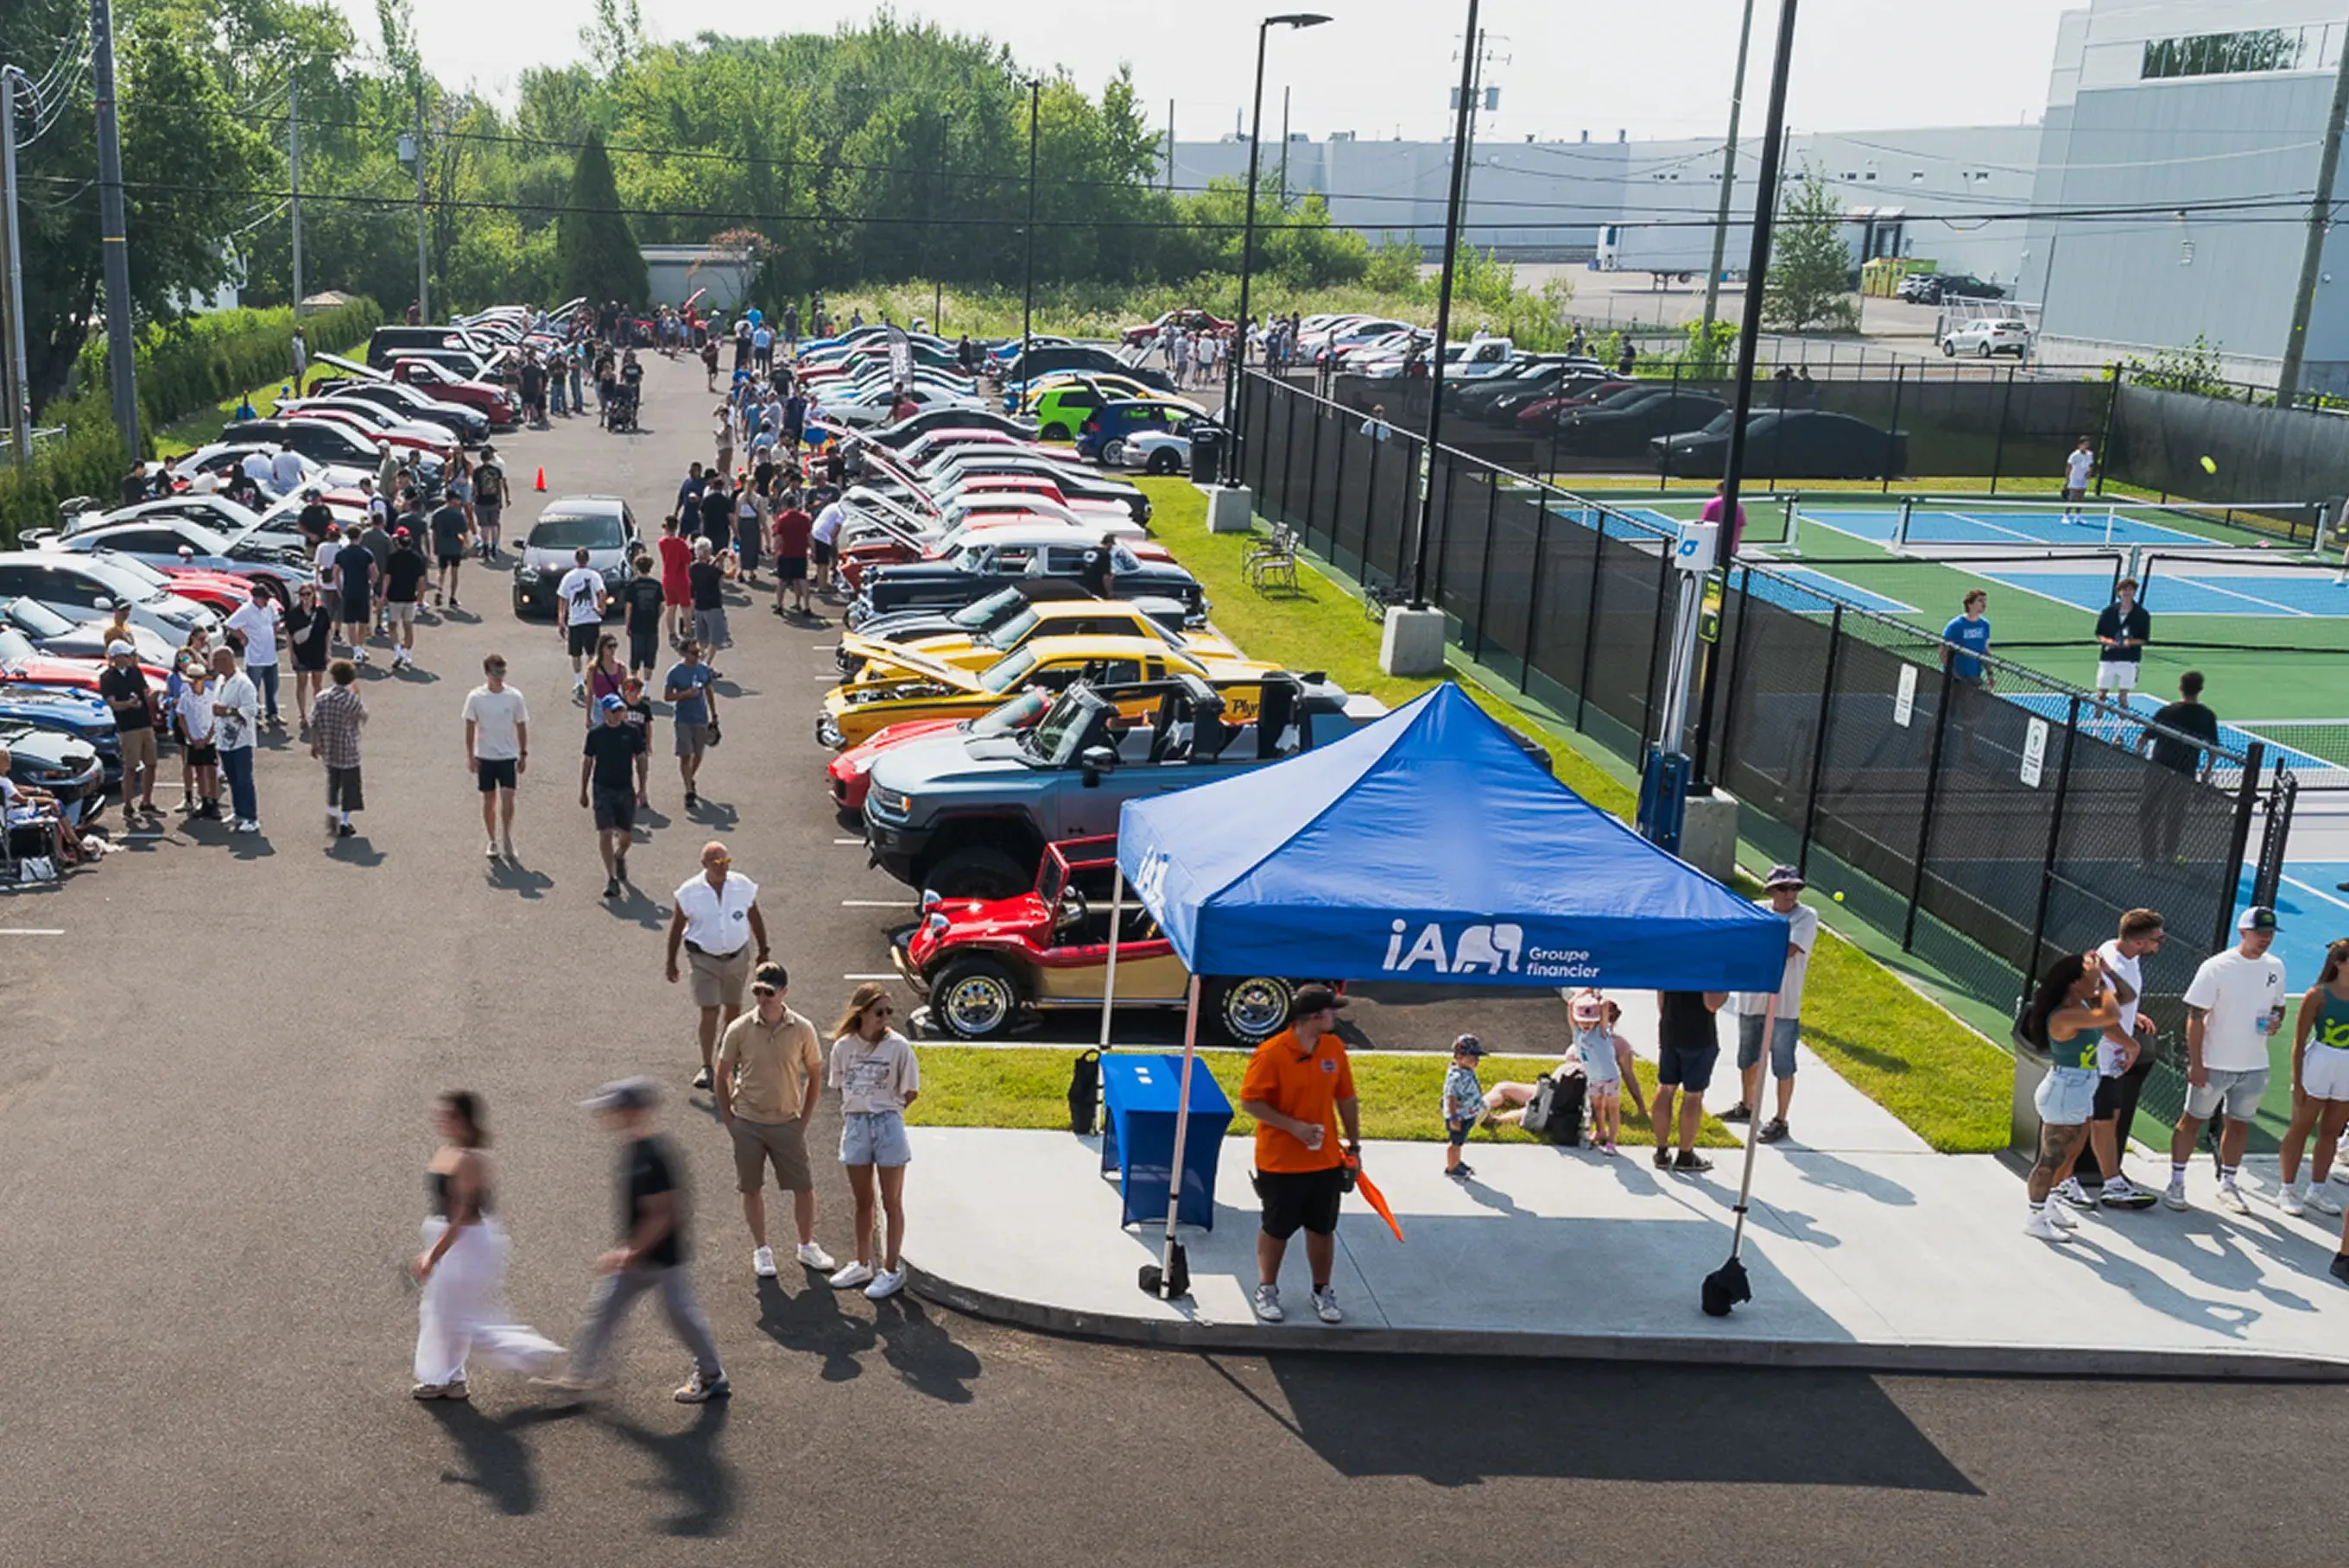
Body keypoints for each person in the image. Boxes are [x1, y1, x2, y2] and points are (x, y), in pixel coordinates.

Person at [535, 1078, 730, 1405]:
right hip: (638, 1257)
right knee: (603, 1312)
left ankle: (712, 1376)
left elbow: (663, 1213)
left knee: (681, 1315)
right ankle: (578, 1378)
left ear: (633, 1111)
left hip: (664, 1259)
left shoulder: (655, 1156)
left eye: (614, 1108)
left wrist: (630, 1252)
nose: (607, 1115)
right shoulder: (634, 1149)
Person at [410, 1091, 563, 1400]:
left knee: (453, 1317)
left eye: (449, 1115)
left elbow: (462, 1216)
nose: (441, 1120)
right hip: (459, 1242)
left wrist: (433, 1254)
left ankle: (538, 1355)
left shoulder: (469, 1159)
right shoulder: (454, 1151)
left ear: (465, 1120)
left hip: (465, 1245)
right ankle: (450, 1378)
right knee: (445, 1313)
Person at [1239, 986, 1359, 1325]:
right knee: (1277, 1228)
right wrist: (1293, 1127)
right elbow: (1250, 1102)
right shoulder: (1272, 1053)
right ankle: (1267, 1288)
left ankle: (1322, 1291)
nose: (1337, 1016)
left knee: (1322, 1229)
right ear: (1313, 1016)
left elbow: (1347, 1099)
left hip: (1325, 1161)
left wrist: (1355, 1145)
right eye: (1332, 1011)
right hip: (1280, 1163)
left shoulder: (1333, 1048)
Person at [716, 962, 837, 1279]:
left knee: (803, 1187)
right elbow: (722, 1073)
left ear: (784, 992)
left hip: (786, 1122)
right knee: (751, 1187)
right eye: (757, 991)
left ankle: (806, 1245)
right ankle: (762, 1250)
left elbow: (814, 1074)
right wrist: (730, 1120)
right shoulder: (739, 1028)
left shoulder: (802, 1029)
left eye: (769, 992)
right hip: (748, 1122)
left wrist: (803, 1120)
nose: (762, 998)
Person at [2166, 907, 2289, 1213]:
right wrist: (2197, 1063)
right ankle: (2176, 1182)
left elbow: (2279, 1007)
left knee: (2239, 1124)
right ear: (2243, 932)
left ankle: (2229, 1184)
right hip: (2215, 1063)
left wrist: (2276, 1021)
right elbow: (2196, 1016)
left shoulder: (2276, 967)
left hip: (2254, 1064)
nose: (2266, 939)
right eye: (2261, 933)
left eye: (2270, 934)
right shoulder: (2217, 967)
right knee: (2192, 1120)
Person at [2052, 907, 2167, 1211]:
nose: (2160, 944)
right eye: (2158, 939)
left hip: (2108, 1063)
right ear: (2140, 941)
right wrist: (2131, 1045)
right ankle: (2063, 1183)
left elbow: (2121, 1000)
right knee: (2086, 1125)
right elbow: (2104, 1019)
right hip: (2098, 1060)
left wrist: (2134, 1015)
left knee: (2105, 1121)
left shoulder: (2120, 957)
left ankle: (2110, 1182)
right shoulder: (2111, 961)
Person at [826, 982, 920, 1299]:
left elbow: (911, 1091)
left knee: (891, 1202)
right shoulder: (843, 1048)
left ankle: (891, 1269)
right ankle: (862, 1262)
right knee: (863, 1201)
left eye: (889, 1012)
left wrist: (888, 1111)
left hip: (887, 1124)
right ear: (862, 1013)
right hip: (856, 1124)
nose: (885, 1018)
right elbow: (839, 1084)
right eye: (879, 1012)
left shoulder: (899, 1047)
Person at [2022, 951, 2123, 1242]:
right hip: (2067, 1090)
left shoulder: (2079, 1005)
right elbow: (2112, 1013)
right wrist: (2104, 986)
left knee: (2070, 1151)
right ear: (2074, 983)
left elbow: (2122, 1000)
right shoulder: (2066, 1016)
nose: (2098, 982)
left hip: (2080, 1087)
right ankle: (2035, 1216)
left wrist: (2103, 974)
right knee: (2050, 1159)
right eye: (2093, 978)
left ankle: (2050, 1205)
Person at [1723, 863, 1819, 1145]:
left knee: (1783, 1063)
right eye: (1784, 888)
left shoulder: (1806, 917)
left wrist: (1756, 948)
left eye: (1795, 888)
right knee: (1747, 1056)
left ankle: (1780, 1119)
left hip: (1785, 1004)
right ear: (1771, 890)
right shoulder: (1756, 909)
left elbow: (1788, 951)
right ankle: (1747, 1105)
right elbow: (1740, 945)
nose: (1791, 894)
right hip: (1752, 998)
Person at [666, 840, 769, 1087]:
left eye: (726, 862)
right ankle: (707, 1065)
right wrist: (670, 961)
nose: (723, 868)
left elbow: (754, 916)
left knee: (733, 1009)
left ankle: (727, 1054)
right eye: (717, 863)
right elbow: (678, 926)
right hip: (704, 959)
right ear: (704, 864)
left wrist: (763, 951)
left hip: (737, 956)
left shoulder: (742, 885)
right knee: (709, 1009)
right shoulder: (689, 892)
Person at [2279, 938, 2349, 1218]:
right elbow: (2299, 1041)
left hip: (2346, 1066)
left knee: (2331, 1131)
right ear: (2339, 964)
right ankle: (2287, 1188)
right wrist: (2298, 1082)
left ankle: (2317, 1188)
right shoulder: (2318, 995)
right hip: (2319, 1062)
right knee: (2300, 1127)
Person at [2145, 671, 2221, 871]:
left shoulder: (2167, 712)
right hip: (2185, 773)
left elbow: (2144, 738)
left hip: (2158, 770)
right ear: (2200, 689)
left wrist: (2140, 758)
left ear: (2180, 687)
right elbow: (2213, 749)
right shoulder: (2207, 716)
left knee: (2148, 813)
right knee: (2176, 814)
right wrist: (2206, 771)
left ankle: (2148, 860)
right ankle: (2169, 855)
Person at [462, 654, 529, 862]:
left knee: (508, 797)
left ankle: (507, 835)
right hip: (485, 756)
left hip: (507, 756)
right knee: (489, 800)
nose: (500, 676)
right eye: (496, 672)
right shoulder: (476, 697)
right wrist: (471, 756)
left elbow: (521, 724)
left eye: (503, 672)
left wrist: (523, 753)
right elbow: (470, 726)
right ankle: (492, 840)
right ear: (487, 673)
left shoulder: (514, 696)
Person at [1652, 989, 1726, 1173]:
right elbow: (1712, 1003)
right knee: (1693, 1095)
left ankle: (1661, 1151)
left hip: (1670, 1028)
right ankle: (1685, 1155)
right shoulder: (1709, 964)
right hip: (1699, 1034)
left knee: (1665, 1087)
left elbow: (1661, 995)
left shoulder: (1674, 959)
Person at [580, 695, 644, 899]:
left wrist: (642, 788)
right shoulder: (596, 734)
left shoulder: (631, 732)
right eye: (614, 711)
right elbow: (588, 761)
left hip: (625, 789)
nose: (618, 714)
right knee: (605, 832)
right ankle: (611, 878)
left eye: (620, 710)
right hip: (602, 789)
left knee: (626, 837)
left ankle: (619, 856)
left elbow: (641, 759)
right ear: (605, 711)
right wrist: (582, 790)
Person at [98, 642, 158, 817]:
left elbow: (144, 691)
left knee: (152, 764)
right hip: (128, 728)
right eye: (127, 655)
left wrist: (151, 698)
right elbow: (113, 704)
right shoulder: (107, 677)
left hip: (145, 723)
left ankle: (146, 802)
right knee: (130, 767)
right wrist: (129, 704)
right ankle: (128, 805)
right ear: (117, 658)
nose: (131, 658)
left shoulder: (135, 671)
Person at [309, 658, 366, 838]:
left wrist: (314, 744)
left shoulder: (321, 697)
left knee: (333, 786)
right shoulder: (351, 700)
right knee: (349, 789)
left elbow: (313, 722)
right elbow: (363, 717)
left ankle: (332, 818)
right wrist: (357, 694)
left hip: (329, 748)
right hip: (347, 750)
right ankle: (344, 822)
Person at [211, 647, 261, 834]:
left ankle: (251, 817)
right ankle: (239, 812)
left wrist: (227, 711)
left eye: (216, 661)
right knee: (232, 779)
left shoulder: (244, 684)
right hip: (224, 740)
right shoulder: (221, 680)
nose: (213, 665)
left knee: (243, 779)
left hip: (241, 741)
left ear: (226, 660)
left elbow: (251, 711)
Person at [663, 638, 718, 809]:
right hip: (683, 718)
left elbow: (709, 691)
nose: (698, 655)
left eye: (698, 652)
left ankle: (689, 778)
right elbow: (667, 696)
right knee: (685, 755)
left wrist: (714, 715)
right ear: (685, 654)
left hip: (700, 717)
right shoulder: (675, 672)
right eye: (694, 653)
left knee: (699, 754)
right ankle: (689, 791)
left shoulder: (703, 669)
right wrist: (685, 694)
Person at [1941, 589, 1993, 762]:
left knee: (1969, 718)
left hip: (1973, 678)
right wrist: (1953, 674)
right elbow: (1943, 652)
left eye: (1984, 601)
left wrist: (1990, 673)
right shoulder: (1955, 626)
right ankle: (1931, 750)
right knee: (1943, 715)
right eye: (1979, 601)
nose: (1983, 605)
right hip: (1955, 679)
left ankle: (1968, 753)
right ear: (1970, 604)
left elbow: (1985, 651)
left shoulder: (1985, 625)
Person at [1571, 991, 1625, 1154]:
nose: (1585, 1024)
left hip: (1610, 1077)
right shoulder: (1578, 1033)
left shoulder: (1602, 1031)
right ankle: (1601, 1131)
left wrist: (1594, 998)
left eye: (1590, 1021)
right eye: (1582, 1021)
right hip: (1594, 1078)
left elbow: (1604, 1006)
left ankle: (1612, 1142)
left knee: (1613, 1108)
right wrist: (1584, 993)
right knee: (1597, 1106)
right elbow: (1570, 1006)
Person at [225, 583, 284, 730]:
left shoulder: (268, 607)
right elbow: (230, 625)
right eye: (264, 598)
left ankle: (273, 714)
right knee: (253, 690)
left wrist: (275, 629)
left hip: (270, 656)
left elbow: (276, 620)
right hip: (255, 658)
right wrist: (242, 637)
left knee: (273, 687)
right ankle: (255, 716)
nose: (266, 601)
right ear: (256, 598)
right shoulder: (246, 610)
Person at [554, 547, 608, 701]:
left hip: (575, 621)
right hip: (592, 619)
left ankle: (579, 681)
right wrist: (601, 608)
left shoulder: (569, 577)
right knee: (592, 653)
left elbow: (563, 598)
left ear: (576, 559)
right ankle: (590, 678)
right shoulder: (594, 575)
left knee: (575, 653)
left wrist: (561, 619)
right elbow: (601, 592)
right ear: (588, 559)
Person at [284, 582, 333, 738]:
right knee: (301, 683)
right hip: (302, 654)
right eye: (302, 594)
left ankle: (317, 713)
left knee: (317, 684)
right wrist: (291, 654)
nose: (305, 597)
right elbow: (289, 635)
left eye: (308, 594)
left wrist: (327, 651)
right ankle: (303, 715)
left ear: (314, 595)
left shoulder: (321, 612)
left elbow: (327, 633)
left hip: (318, 652)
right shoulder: (294, 613)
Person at [2093, 576, 2150, 710]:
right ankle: (2096, 728)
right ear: (2118, 592)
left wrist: (2129, 642)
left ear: (2134, 592)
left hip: (2129, 660)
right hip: (2108, 659)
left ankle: (2121, 726)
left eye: (2130, 590)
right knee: (2101, 696)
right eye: (2124, 590)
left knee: (2123, 697)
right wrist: (2108, 642)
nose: (2127, 593)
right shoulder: (2108, 612)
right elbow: (2099, 633)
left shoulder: (2142, 615)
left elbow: (2143, 638)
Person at [177, 651, 221, 821]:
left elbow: (215, 720)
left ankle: (214, 803)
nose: (192, 683)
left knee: (211, 771)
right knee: (199, 773)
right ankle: (204, 802)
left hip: (209, 741)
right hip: (193, 741)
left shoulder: (211, 697)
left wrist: (207, 738)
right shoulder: (185, 698)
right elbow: (182, 719)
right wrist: (191, 738)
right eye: (191, 680)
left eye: (196, 680)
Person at [1440, 1034, 1486, 1180]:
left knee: (1460, 1142)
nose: (1476, 1060)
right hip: (1458, 1116)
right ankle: (1451, 1167)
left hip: (1467, 1113)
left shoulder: (1465, 1071)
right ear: (1459, 1056)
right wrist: (1454, 1118)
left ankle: (1457, 1162)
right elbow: (1451, 1098)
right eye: (1472, 1057)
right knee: (1455, 1142)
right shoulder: (1456, 1077)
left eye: (1477, 1057)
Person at [382, 528, 430, 670]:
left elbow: (387, 577)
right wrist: (420, 598)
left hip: (394, 597)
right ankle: (406, 652)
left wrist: (384, 595)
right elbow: (421, 581)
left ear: (398, 542)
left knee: (392, 625)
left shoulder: (393, 558)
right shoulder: (417, 558)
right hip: (410, 597)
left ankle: (398, 651)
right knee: (408, 626)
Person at [617, 554, 666, 680]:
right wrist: (657, 618)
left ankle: (634, 685)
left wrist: (627, 624)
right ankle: (647, 689)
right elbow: (662, 606)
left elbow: (629, 607)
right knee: (650, 657)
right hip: (652, 625)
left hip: (637, 625)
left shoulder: (633, 586)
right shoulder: (656, 585)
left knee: (635, 657)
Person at [332, 527, 377, 664]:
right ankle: (360, 647)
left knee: (350, 622)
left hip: (348, 589)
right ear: (360, 537)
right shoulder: (367, 553)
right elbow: (374, 572)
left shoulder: (341, 554)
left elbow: (335, 574)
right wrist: (371, 586)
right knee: (363, 621)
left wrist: (339, 589)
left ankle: (356, 650)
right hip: (363, 589)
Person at [771, 488, 814, 617]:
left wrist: (775, 552)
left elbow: (778, 539)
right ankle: (805, 605)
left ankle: (779, 605)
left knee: (782, 581)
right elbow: (809, 536)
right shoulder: (805, 519)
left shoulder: (782, 519)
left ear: (786, 506)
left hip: (785, 553)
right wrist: (813, 550)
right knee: (802, 579)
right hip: (800, 553)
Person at [428, 490, 472, 611]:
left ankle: (439, 590)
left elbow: (434, 532)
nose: (459, 501)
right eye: (457, 499)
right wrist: (466, 546)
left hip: (442, 547)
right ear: (452, 500)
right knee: (454, 572)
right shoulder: (459, 515)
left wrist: (435, 546)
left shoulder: (437, 514)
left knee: (441, 571)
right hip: (455, 548)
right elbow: (463, 533)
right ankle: (452, 598)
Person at [687, 541, 729, 660]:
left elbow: (706, 568)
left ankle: (701, 661)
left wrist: (716, 559)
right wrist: (730, 561)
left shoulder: (693, 568)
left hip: (699, 606)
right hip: (713, 606)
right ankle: (707, 664)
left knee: (701, 639)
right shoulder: (712, 571)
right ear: (706, 552)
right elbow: (727, 574)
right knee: (715, 639)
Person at [1701, 479, 1748, 558]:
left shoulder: (1711, 504)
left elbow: (1703, 525)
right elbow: (1740, 528)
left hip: (1712, 547)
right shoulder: (1738, 505)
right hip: (1731, 548)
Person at [472, 447, 505, 560]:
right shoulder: (497, 471)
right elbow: (500, 487)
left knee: (484, 528)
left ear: (481, 458)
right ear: (490, 457)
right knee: (494, 526)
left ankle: (485, 550)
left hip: (481, 502)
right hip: (494, 501)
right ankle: (494, 548)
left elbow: (475, 488)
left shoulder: (477, 471)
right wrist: (500, 500)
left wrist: (474, 500)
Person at [586, 634, 628, 718]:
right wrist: (588, 716)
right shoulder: (593, 668)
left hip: (615, 705)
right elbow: (590, 692)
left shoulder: (621, 667)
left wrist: (626, 710)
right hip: (599, 705)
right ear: (602, 648)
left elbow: (625, 691)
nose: (613, 649)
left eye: (615, 646)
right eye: (609, 646)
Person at [2063, 436, 2095, 507]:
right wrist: (2067, 480)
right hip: (2074, 478)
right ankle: (2066, 516)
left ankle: (2077, 516)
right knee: (2072, 498)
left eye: (2087, 444)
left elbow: (2091, 465)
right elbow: (2068, 467)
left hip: (2084, 479)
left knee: (2081, 498)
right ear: (2080, 445)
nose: (2086, 446)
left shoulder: (2090, 454)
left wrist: (2089, 473)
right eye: (2085, 444)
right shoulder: (2074, 455)